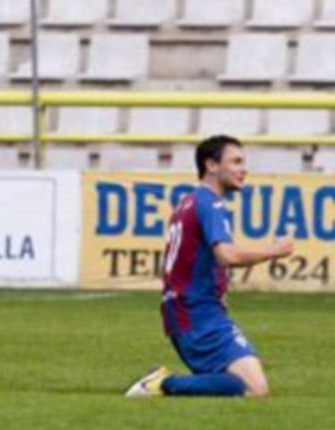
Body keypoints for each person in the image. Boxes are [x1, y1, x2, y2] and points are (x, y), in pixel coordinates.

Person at [125, 135, 293, 398]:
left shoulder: (188, 202)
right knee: (254, 388)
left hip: (188, 311)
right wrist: (275, 251)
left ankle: (182, 379)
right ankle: (163, 384)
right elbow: (226, 255)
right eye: (236, 161)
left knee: (245, 380)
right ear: (211, 165)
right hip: (197, 314)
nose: (243, 169)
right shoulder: (210, 203)